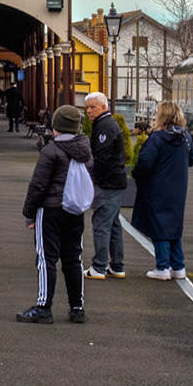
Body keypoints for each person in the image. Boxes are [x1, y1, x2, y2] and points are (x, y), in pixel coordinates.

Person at [19, 105, 93, 324]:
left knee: (46, 258)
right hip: (75, 211)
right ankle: (77, 308)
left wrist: (29, 214)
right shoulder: (85, 150)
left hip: (50, 210)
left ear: (56, 127)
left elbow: (38, 186)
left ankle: (44, 306)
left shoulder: (51, 151)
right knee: (73, 258)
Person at [130, 100, 193, 280]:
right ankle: (178, 266)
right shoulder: (185, 137)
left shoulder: (157, 138)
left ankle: (162, 267)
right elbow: (192, 160)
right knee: (174, 225)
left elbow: (145, 163)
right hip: (178, 188)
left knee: (159, 226)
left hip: (156, 188)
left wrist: (135, 174)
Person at [83, 92, 129, 279]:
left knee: (101, 224)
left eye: (92, 107)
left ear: (103, 107)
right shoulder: (107, 124)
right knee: (113, 224)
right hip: (115, 181)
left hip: (107, 183)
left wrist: (94, 181)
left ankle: (98, 267)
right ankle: (117, 265)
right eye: (87, 107)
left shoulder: (104, 127)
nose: (89, 111)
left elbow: (101, 158)